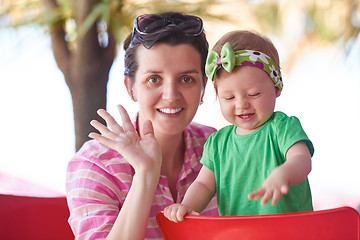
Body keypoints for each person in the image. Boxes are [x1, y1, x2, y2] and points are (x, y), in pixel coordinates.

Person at [66, 11, 218, 240]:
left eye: (186, 79)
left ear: (203, 88)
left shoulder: (220, 147)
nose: (171, 95)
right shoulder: (95, 165)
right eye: (154, 79)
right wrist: (146, 175)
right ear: (131, 88)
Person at [164, 30, 314, 222]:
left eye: (253, 94)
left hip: (290, 231)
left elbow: (302, 159)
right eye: (229, 97)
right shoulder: (218, 143)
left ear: (276, 88)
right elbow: (203, 184)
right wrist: (187, 206)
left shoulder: (281, 127)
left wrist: (283, 174)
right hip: (240, 232)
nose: (241, 104)